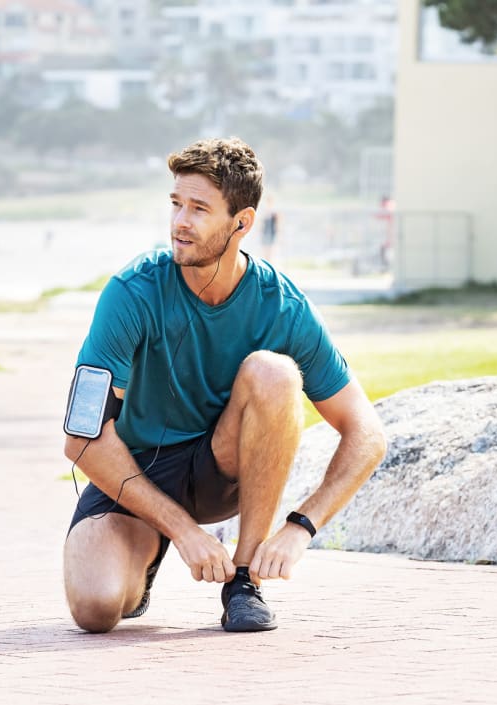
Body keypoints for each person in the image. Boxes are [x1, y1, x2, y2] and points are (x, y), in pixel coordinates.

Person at [62, 137, 387, 634]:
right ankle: (146, 553)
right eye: (176, 204)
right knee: (97, 608)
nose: (180, 222)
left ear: (242, 222)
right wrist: (183, 530)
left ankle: (243, 581)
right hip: (137, 471)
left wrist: (302, 526)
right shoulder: (132, 291)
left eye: (198, 209)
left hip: (222, 467)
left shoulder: (282, 306)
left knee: (275, 372)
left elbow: (367, 433)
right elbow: (82, 438)